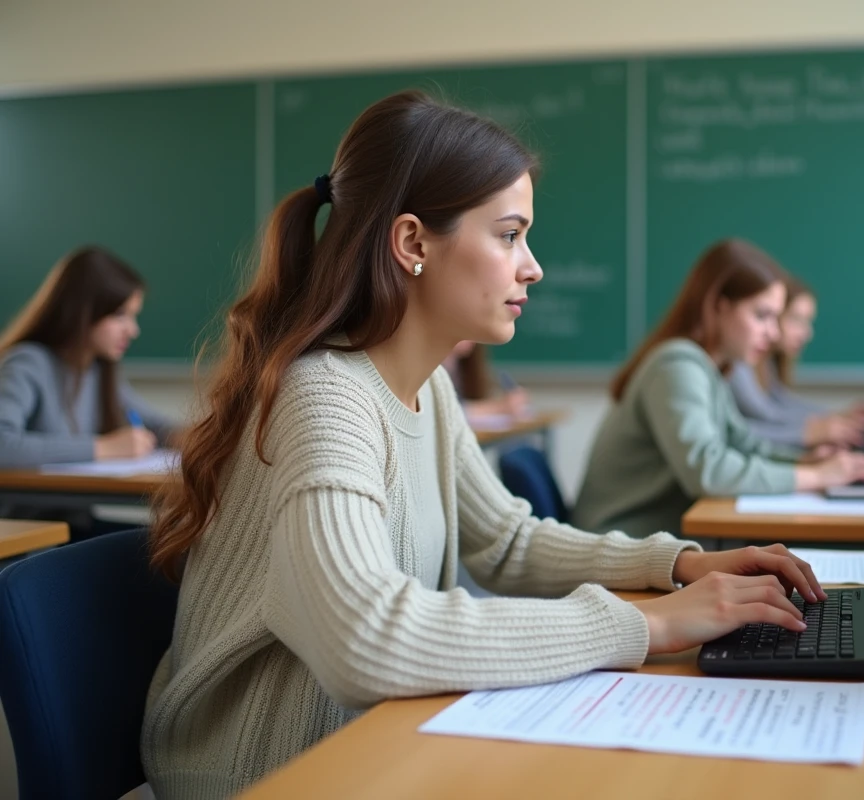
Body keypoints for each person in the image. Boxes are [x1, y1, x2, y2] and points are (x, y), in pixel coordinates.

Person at [142, 90, 827, 799]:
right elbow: (365, 641)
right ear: (412, 244)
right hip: (266, 774)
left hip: (375, 743)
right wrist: (645, 623)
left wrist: (677, 564)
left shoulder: (427, 390)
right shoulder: (324, 398)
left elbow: (506, 544)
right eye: (508, 235)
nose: (531, 266)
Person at [572, 239, 864, 539]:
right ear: (720, 306)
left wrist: (804, 462)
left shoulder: (709, 368)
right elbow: (709, 471)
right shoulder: (678, 365)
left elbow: (744, 443)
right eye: (762, 316)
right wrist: (816, 478)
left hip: (652, 541)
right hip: (616, 544)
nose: (773, 334)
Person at [0, 246, 175, 469]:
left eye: (134, 316)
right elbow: (3, 445)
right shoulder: (28, 363)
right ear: (82, 311)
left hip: (74, 504)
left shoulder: (98, 369)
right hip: (25, 504)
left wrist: (199, 437)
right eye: (120, 315)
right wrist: (103, 448)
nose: (132, 330)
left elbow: (155, 426)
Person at [727, 273, 864, 448]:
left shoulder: (764, 362)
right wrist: (815, 430)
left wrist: (835, 417)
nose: (807, 334)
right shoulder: (738, 359)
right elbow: (766, 414)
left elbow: (780, 401)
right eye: (797, 320)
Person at [442, 339, 529, 420]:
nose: (473, 335)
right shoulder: (433, 369)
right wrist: (499, 407)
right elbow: (445, 413)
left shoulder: (465, 367)